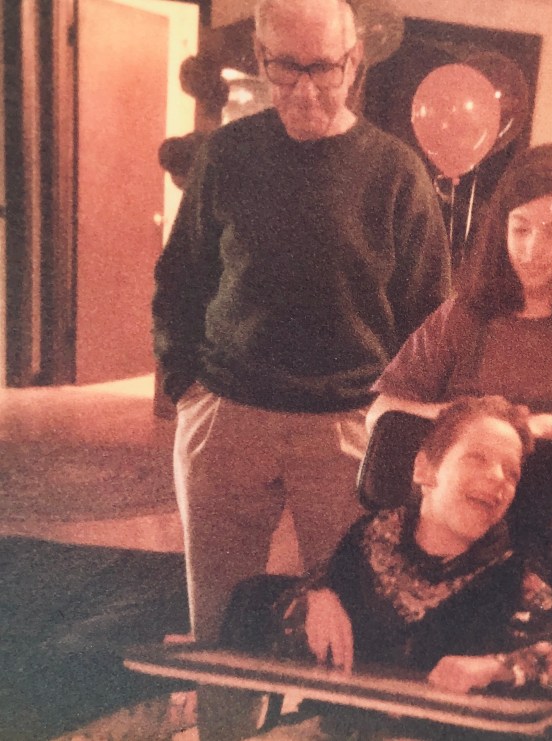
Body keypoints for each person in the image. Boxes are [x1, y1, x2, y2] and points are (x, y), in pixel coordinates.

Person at [152, 0, 449, 676]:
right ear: (261, 60)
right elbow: (180, 278)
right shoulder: (227, 154)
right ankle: (226, 721)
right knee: (218, 630)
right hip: (224, 417)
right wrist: (184, 384)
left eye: (325, 69)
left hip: (348, 430)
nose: (307, 90)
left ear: (355, 61)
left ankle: (331, 723)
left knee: (355, 633)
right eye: (287, 68)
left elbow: (429, 326)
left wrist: (398, 430)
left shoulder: (397, 174)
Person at [223, 395, 552, 740]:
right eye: (478, 458)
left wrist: (496, 668)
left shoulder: (513, 576)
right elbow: (261, 604)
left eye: (511, 472)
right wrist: (312, 599)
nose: (499, 477)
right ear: (424, 470)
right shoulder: (368, 541)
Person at [367, 143, 552, 471]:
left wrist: (550, 427)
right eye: (521, 229)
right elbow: (381, 412)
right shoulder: (462, 315)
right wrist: (475, 423)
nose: (532, 249)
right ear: (501, 228)